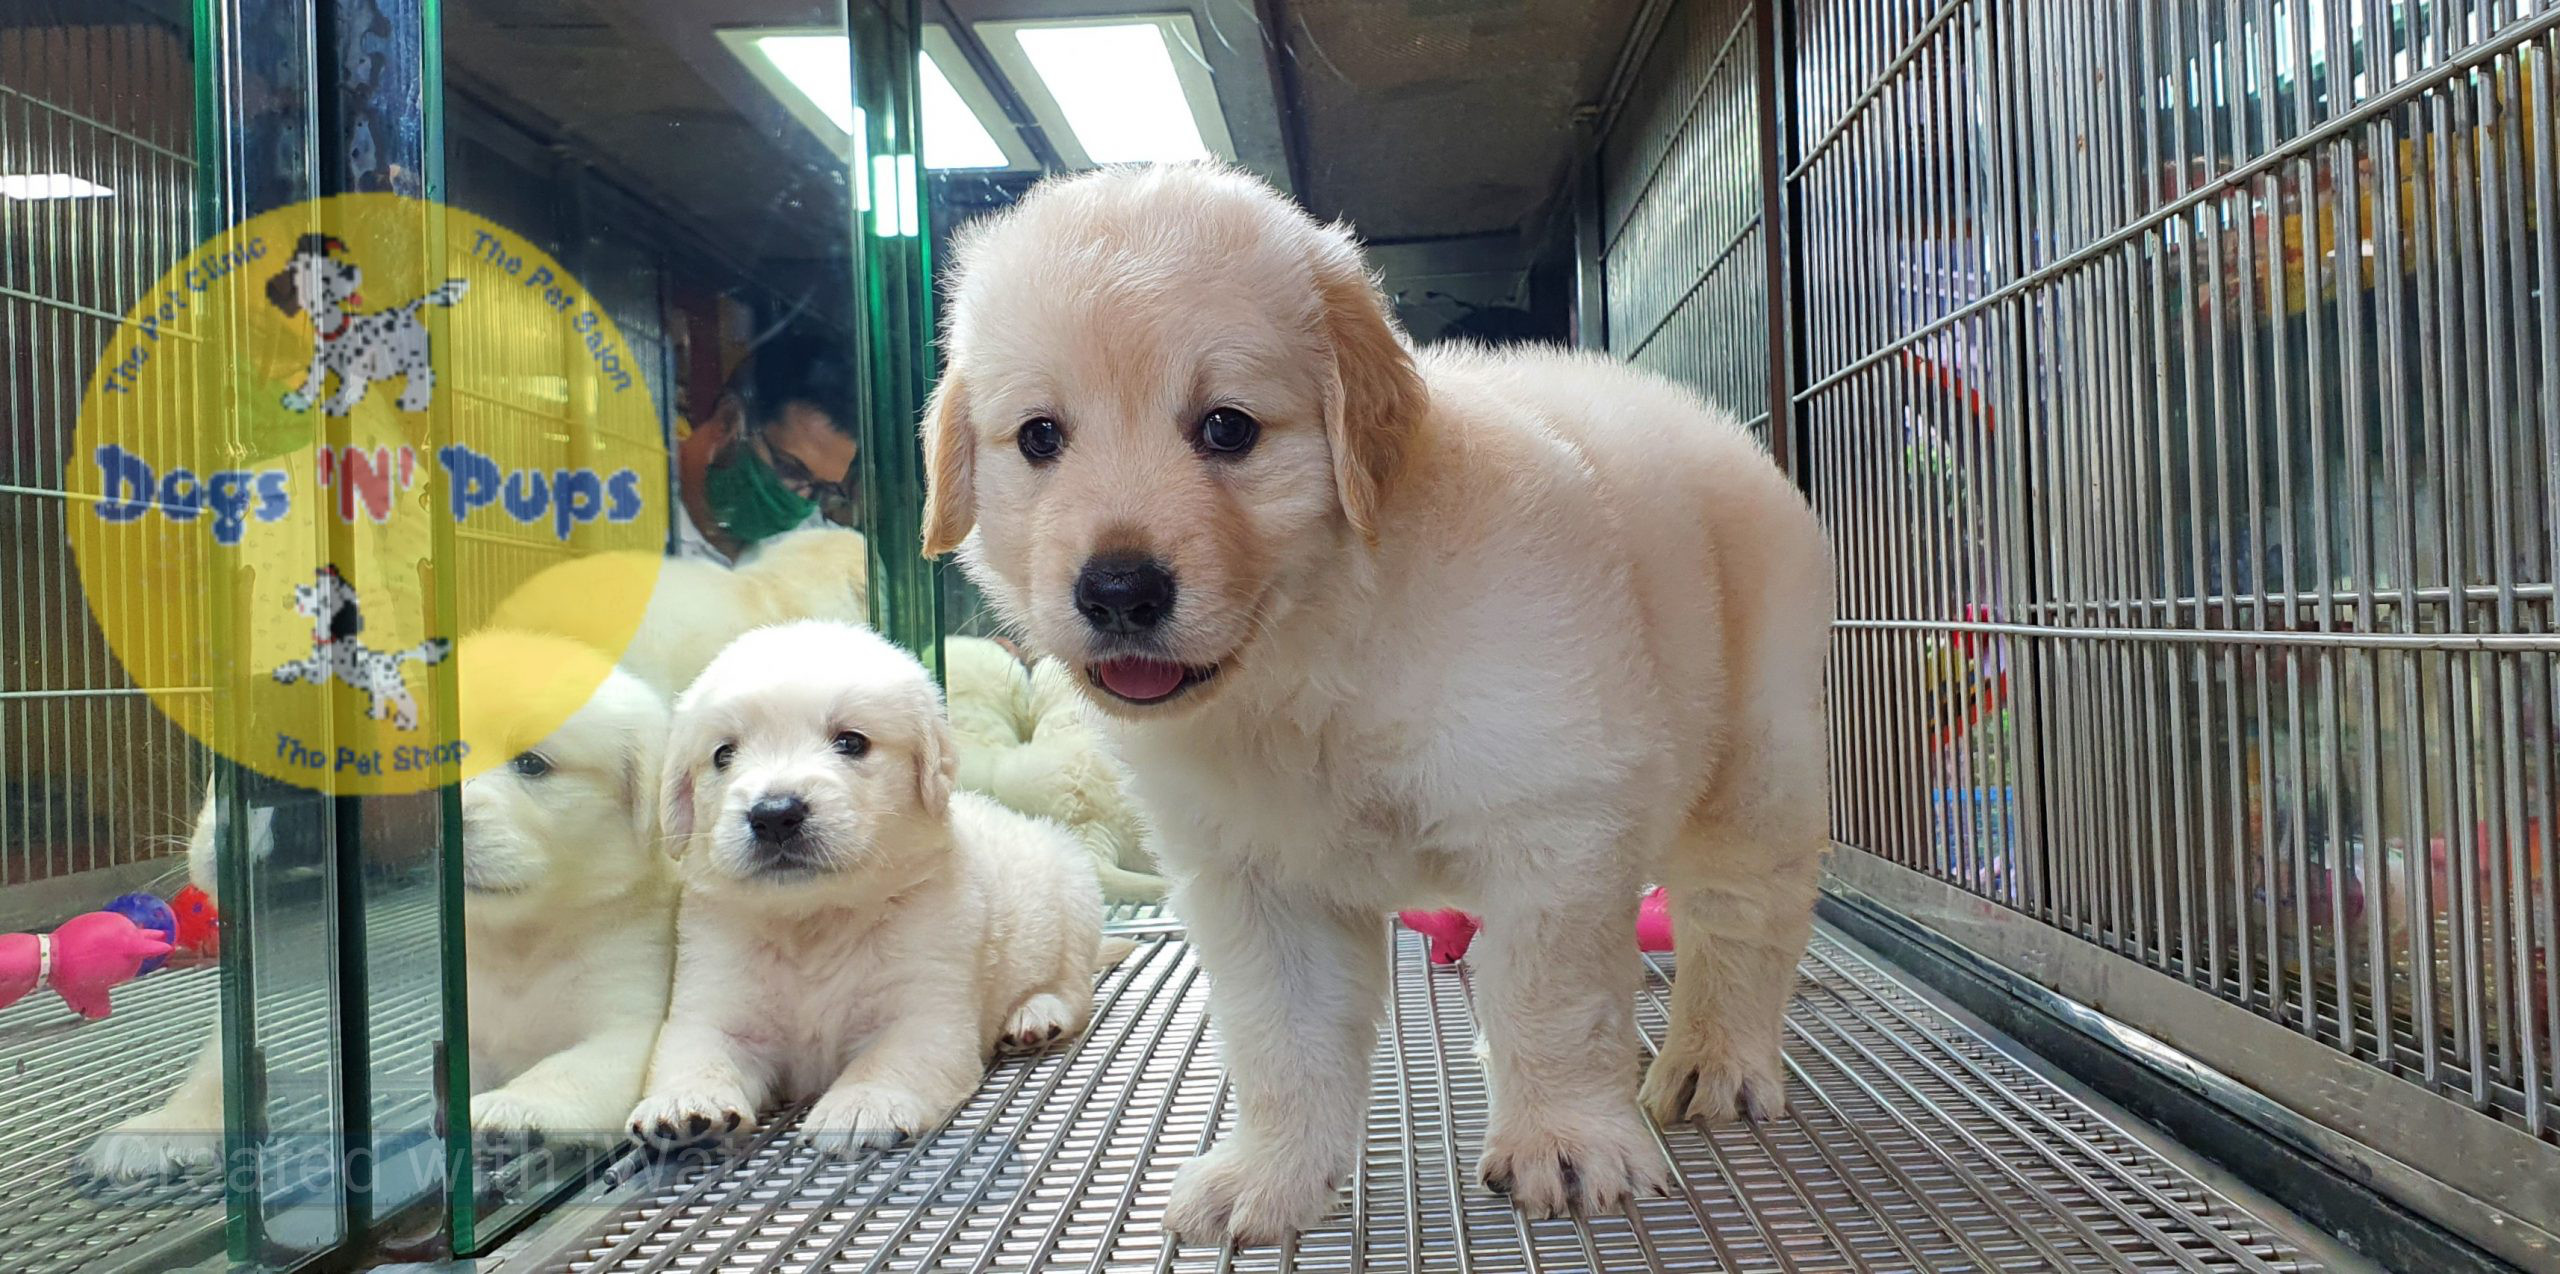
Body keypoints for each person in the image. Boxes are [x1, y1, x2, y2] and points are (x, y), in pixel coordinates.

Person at [674, 332, 860, 564]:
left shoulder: (806, 557)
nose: (799, 502)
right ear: (729, 420)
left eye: (820, 491)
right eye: (791, 470)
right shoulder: (627, 504)